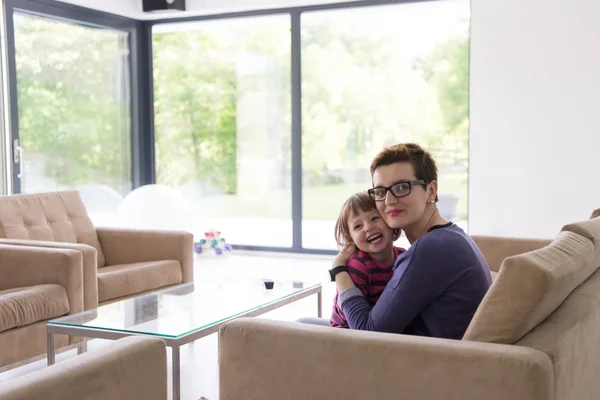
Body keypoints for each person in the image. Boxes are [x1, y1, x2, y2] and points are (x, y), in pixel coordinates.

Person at [329, 143, 492, 339]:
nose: (389, 200)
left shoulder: (430, 250)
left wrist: (339, 269)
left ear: (431, 191)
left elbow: (368, 334)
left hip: (427, 362)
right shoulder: (451, 236)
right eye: (380, 191)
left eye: (401, 187)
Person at [329, 192, 405, 328]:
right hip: (346, 335)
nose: (368, 227)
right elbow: (357, 325)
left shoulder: (403, 256)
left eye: (375, 218)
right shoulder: (358, 265)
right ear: (351, 239)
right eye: (358, 226)